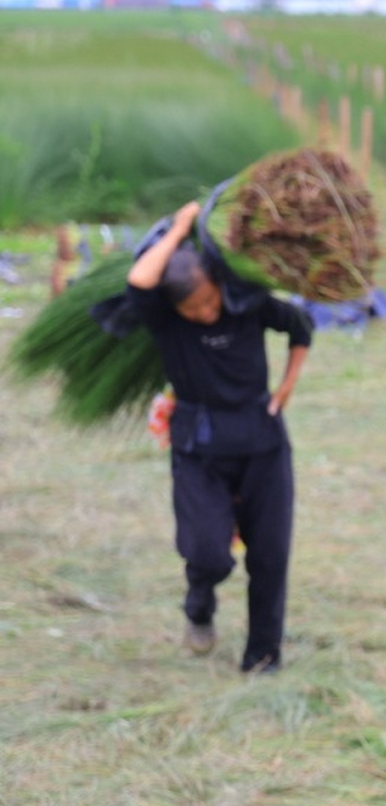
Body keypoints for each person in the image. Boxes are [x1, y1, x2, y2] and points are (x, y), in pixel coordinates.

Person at [124, 200, 313, 674]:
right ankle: (199, 603)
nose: (207, 312)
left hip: (262, 442)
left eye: (210, 300)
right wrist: (180, 229)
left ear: (219, 284)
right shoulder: (163, 318)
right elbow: (140, 281)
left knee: (269, 556)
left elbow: (300, 326)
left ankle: (263, 658)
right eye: (194, 309)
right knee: (208, 553)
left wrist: (286, 386)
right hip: (199, 446)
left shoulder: (244, 303)